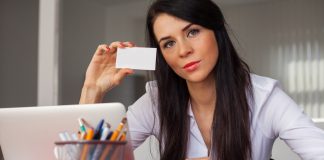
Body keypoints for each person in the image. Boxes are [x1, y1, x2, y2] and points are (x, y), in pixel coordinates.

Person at [79, 0, 324, 159]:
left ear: (217, 33)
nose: (183, 50)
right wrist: (92, 90)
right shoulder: (156, 102)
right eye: (169, 43)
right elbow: (90, 157)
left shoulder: (265, 98)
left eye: (192, 32)